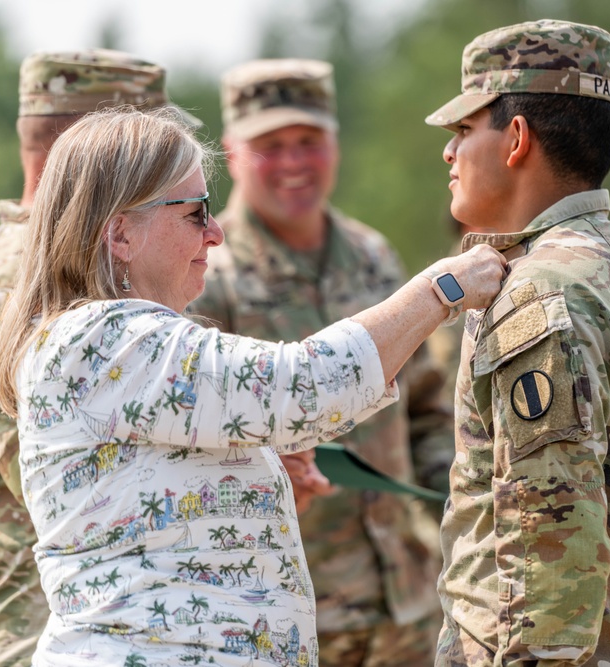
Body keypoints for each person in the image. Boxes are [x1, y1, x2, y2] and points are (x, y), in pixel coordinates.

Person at [0, 106, 506, 667]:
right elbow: (303, 386)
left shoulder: (102, 342)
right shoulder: (109, 338)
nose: (215, 233)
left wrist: (244, 487)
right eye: (195, 212)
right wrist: (443, 287)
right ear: (119, 233)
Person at [425, 20, 610, 666]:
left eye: (464, 129)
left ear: (516, 139)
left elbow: (550, 551)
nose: (449, 153)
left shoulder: (540, 292)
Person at [187, 57, 452, 666]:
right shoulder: (208, 279)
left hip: (406, 604)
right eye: (269, 145)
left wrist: (452, 510)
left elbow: (426, 407)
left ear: (334, 143)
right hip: (287, 614)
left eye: (309, 141)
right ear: (230, 151)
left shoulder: (372, 257)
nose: (293, 163)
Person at [0, 49, 202, 667]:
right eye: (145, 142)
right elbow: (71, 489)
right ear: (86, 145)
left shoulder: (66, 267)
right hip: (44, 637)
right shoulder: (17, 290)